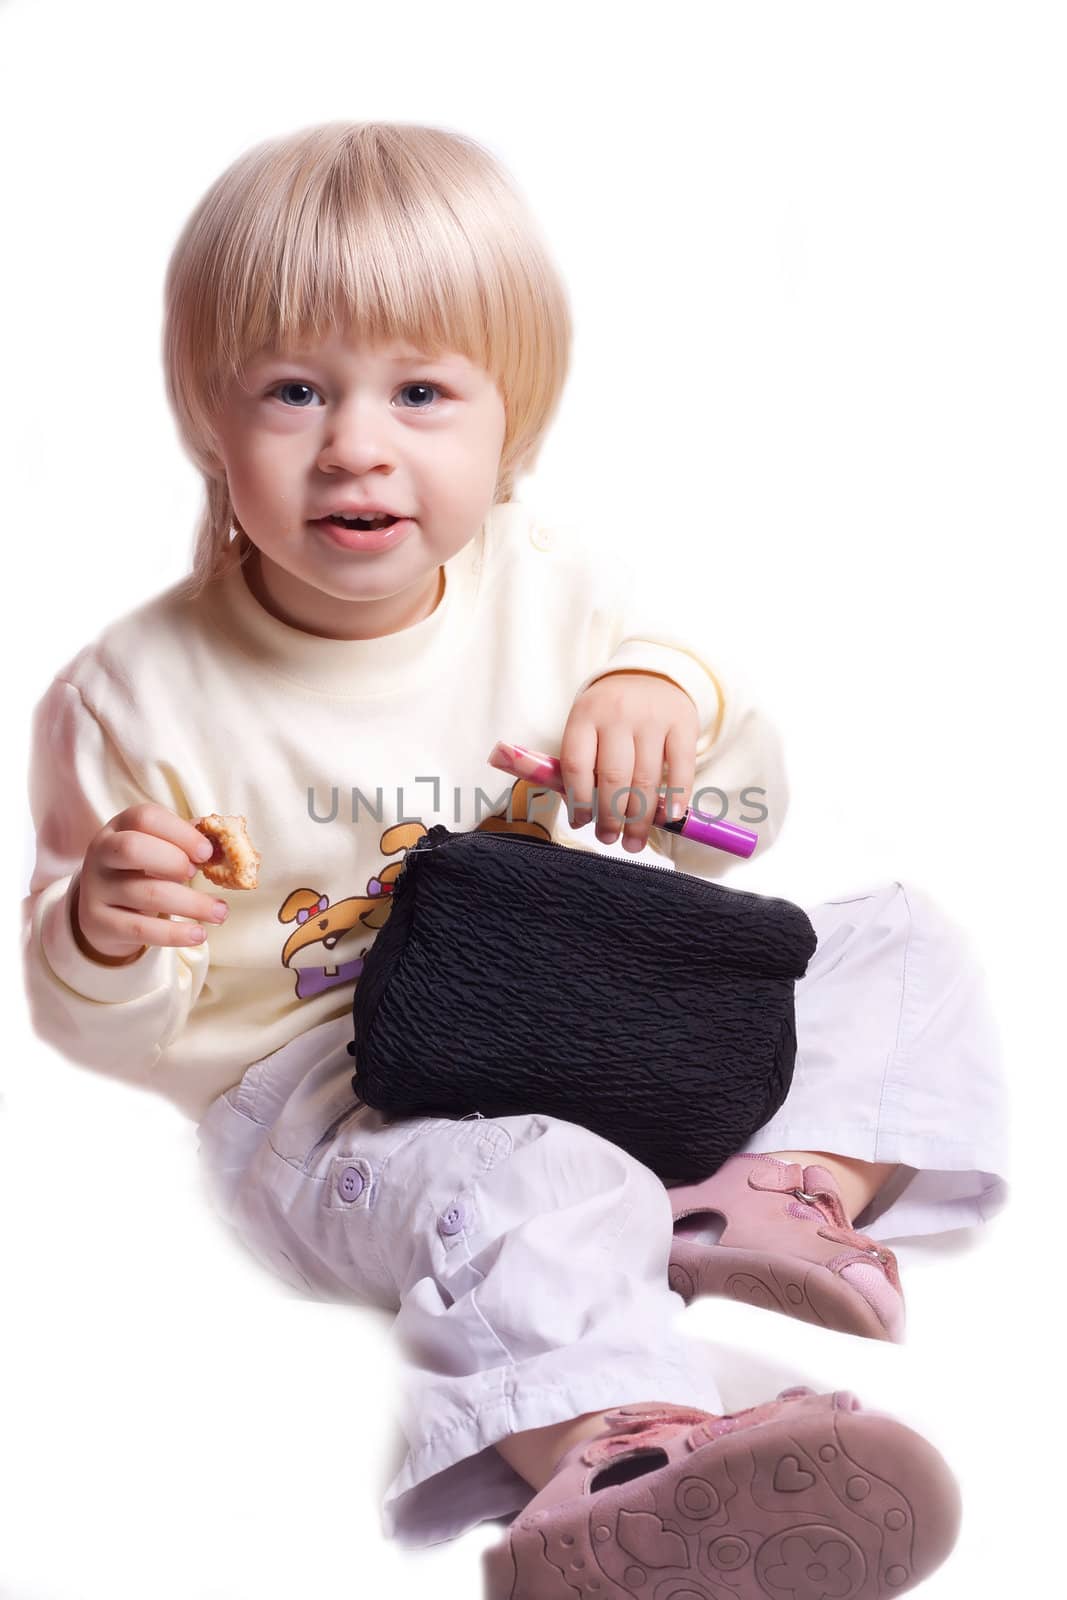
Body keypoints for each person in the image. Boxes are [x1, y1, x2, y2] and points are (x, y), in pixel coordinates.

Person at [22, 120, 1008, 1598]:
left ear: (511, 430)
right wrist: (101, 931)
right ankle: (617, 1462)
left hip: (572, 1009)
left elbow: (738, 836)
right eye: (294, 391)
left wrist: (664, 722)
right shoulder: (139, 693)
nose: (357, 442)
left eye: (421, 392)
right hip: (325, 1098)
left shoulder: (563, 597)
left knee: (890, 936)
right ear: (207, 427)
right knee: (544, 1178)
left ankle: (763, 1192)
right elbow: (107, 1025)